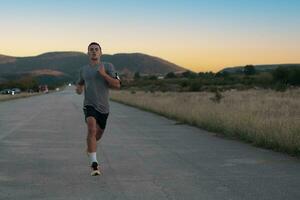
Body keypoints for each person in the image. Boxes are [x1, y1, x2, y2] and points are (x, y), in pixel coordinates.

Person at [76, 42, 121, 176]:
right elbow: (79, 85)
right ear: (88, 53)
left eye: (96, 49)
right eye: (91, 50)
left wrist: (104, 75)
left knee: (97, 135)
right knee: (91, 128)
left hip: (104, 107)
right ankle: (94, 165)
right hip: (89, 104)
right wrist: (79, 89)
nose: (94, 51)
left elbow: (117, 84)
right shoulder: (83, 69)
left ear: (101, 52)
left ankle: (90, 149)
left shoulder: (108, 66)